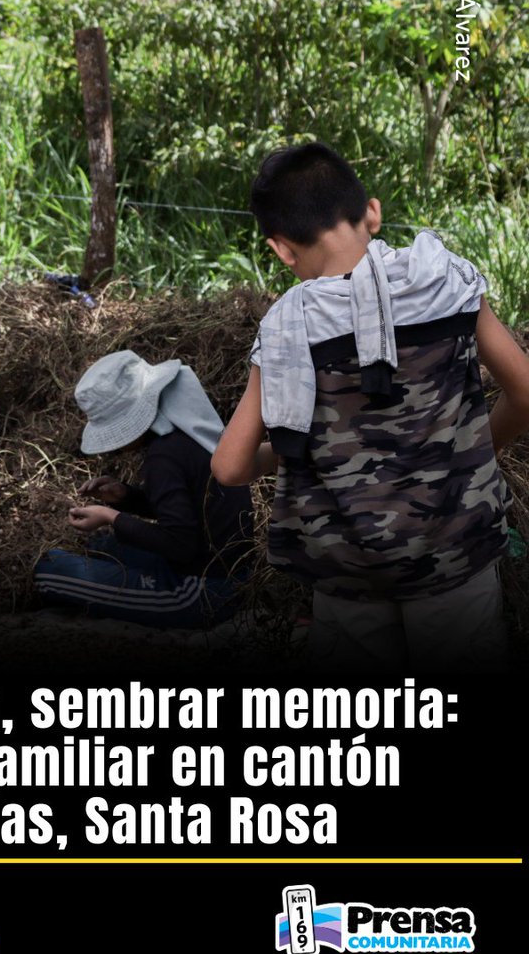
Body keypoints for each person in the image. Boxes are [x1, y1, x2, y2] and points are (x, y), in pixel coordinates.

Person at [211, 141, 529, 673]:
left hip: (349, 578)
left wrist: (290, 454)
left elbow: (229, 466)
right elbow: (525, 392)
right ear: (373, 212)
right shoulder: (444, 281)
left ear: (282, 249)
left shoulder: (290, 326)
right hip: (456, 557)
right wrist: (474, 451)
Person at [34, 350, 254, 627]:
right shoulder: (188, 435)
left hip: (201, 593)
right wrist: (125, 497)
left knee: (49, 569)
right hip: (235, 576)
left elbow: (180, 544)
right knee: (101, 547)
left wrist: (110, 516)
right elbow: (189, 511)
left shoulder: (162, 458)